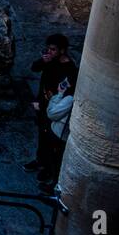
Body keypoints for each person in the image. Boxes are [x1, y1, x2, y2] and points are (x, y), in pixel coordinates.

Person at [24, 34, 79, 183]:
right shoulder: (50, 60)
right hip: (42, 104)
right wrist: (43, 60)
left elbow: (63, 95)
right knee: (42, 135)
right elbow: (34, 68)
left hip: (53, 110)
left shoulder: (69, 70)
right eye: (48, 49)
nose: (50, 52)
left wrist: (43, 105)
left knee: (52, 141)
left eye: (53, 49)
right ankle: (40, 160)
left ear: (62, 51)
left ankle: (48, 170)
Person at [41, 73, 75, 191]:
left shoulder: (69, 99)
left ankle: (53, 185)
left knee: (56, 163)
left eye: (66, 83)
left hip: (58, 136)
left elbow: (51, 113)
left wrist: (59, 94)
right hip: (60, 135)